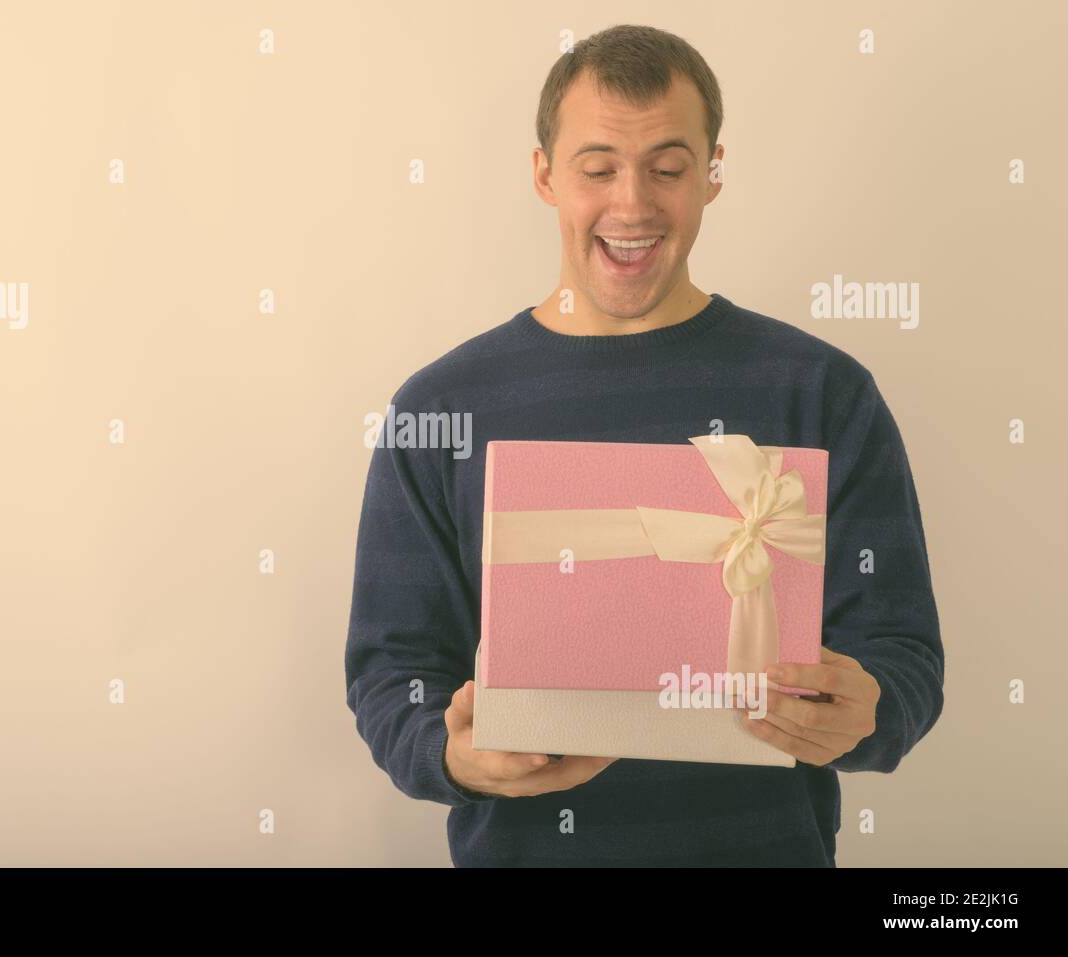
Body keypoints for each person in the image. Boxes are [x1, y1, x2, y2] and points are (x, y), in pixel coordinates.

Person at [344, 24, 943, 866]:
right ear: (545, 174)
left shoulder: (822, 392)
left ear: (711, 174)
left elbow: (905, 654)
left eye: (668, 168)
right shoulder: (439, 409)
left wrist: (871, 707)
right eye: (597, 169)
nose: (632, 205)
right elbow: (389, 670)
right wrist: (449, 752)